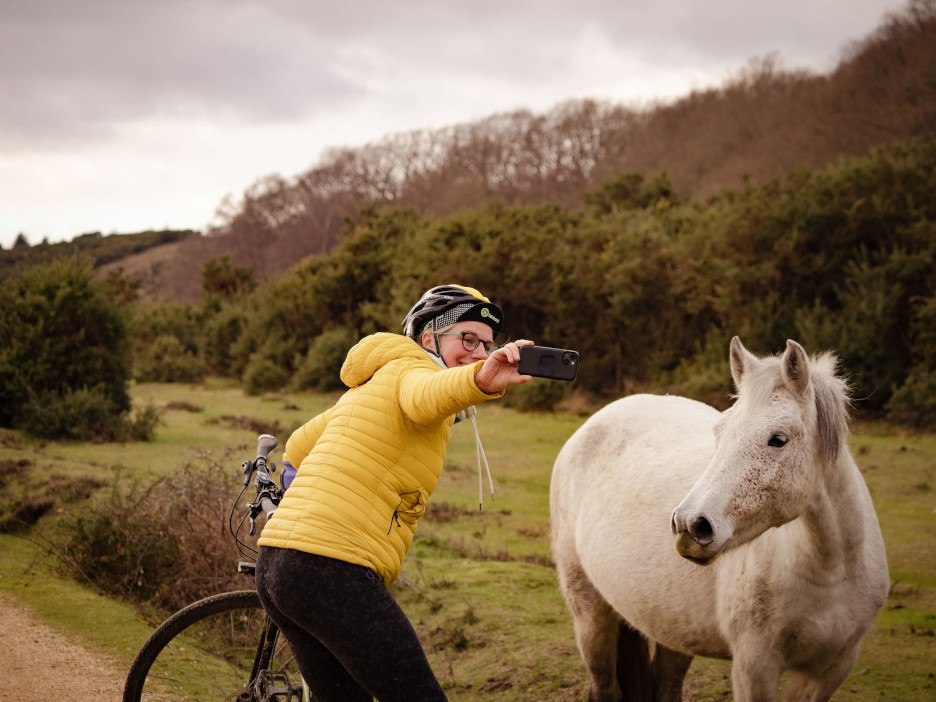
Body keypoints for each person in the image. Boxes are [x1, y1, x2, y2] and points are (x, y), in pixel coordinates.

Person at [255, 284, 534, 702]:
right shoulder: (412, 372)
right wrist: (480, 378)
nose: (479, 351)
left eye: (488, 344)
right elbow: (427, 395)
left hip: (278, 565)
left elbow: (297, 445)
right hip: (333, 569)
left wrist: (302, 514)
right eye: (468, 339)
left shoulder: (371, 385)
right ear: (428, 339)